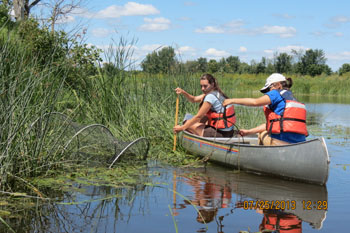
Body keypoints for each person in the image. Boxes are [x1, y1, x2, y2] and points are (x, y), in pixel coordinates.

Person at [223, 73, 307, 145]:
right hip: (299, 143)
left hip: (281, 143)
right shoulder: (292, 99)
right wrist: (249, 132)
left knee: (262, 134)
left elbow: (255, 102)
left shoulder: (275, 93)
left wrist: (232, 100)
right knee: (266, 131)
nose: (267, 93)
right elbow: (272, 125)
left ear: (278, 85)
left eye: (268, 89)